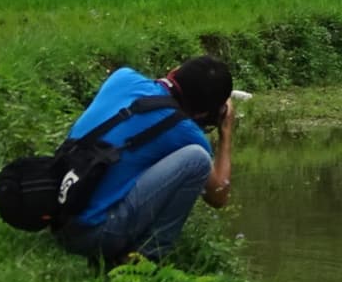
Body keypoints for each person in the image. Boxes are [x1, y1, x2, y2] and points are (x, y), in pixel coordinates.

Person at [54, 55, 236, 266]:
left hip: (58, 214)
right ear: (204, 113)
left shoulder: (123, 78)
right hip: (92, 236)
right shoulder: (185, 131)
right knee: (198, 160)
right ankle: (143, 260)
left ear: (176, 72)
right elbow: (218, 196)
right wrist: (226, 134)